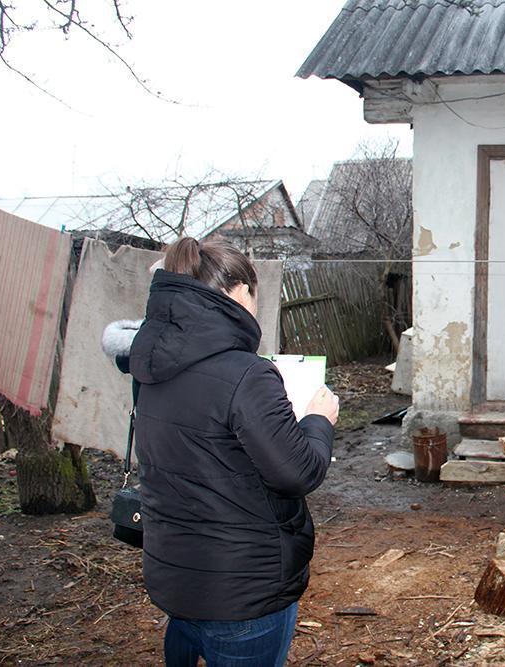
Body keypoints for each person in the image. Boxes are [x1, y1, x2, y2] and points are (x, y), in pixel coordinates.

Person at [126, 237, 338, 667]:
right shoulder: (246, 374)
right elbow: (298, 473)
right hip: (242, 589)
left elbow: (204, 448)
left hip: (175, 575)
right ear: (240, 291)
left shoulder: (148, 361)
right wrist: (318, 419)